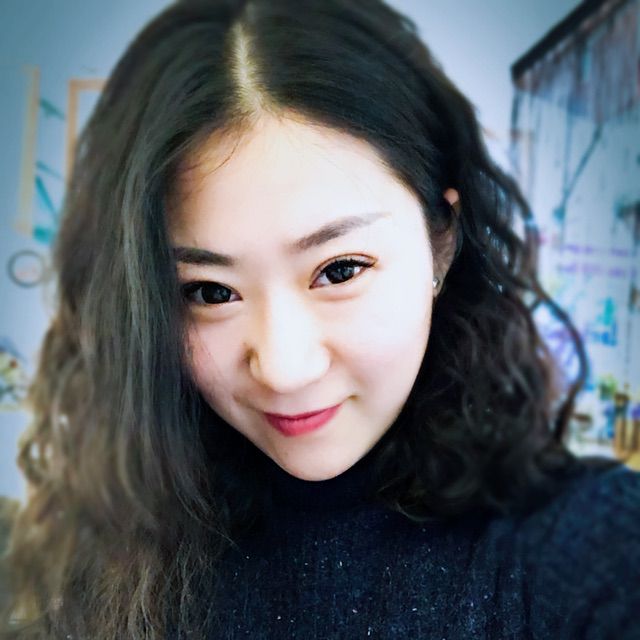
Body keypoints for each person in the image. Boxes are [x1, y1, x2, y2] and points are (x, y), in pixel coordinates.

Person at [1, 0, 638, 638]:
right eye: (210, 292)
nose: (284, 369)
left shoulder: (586, 549)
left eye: (339, 270)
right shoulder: (110, 546)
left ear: (441, 242)